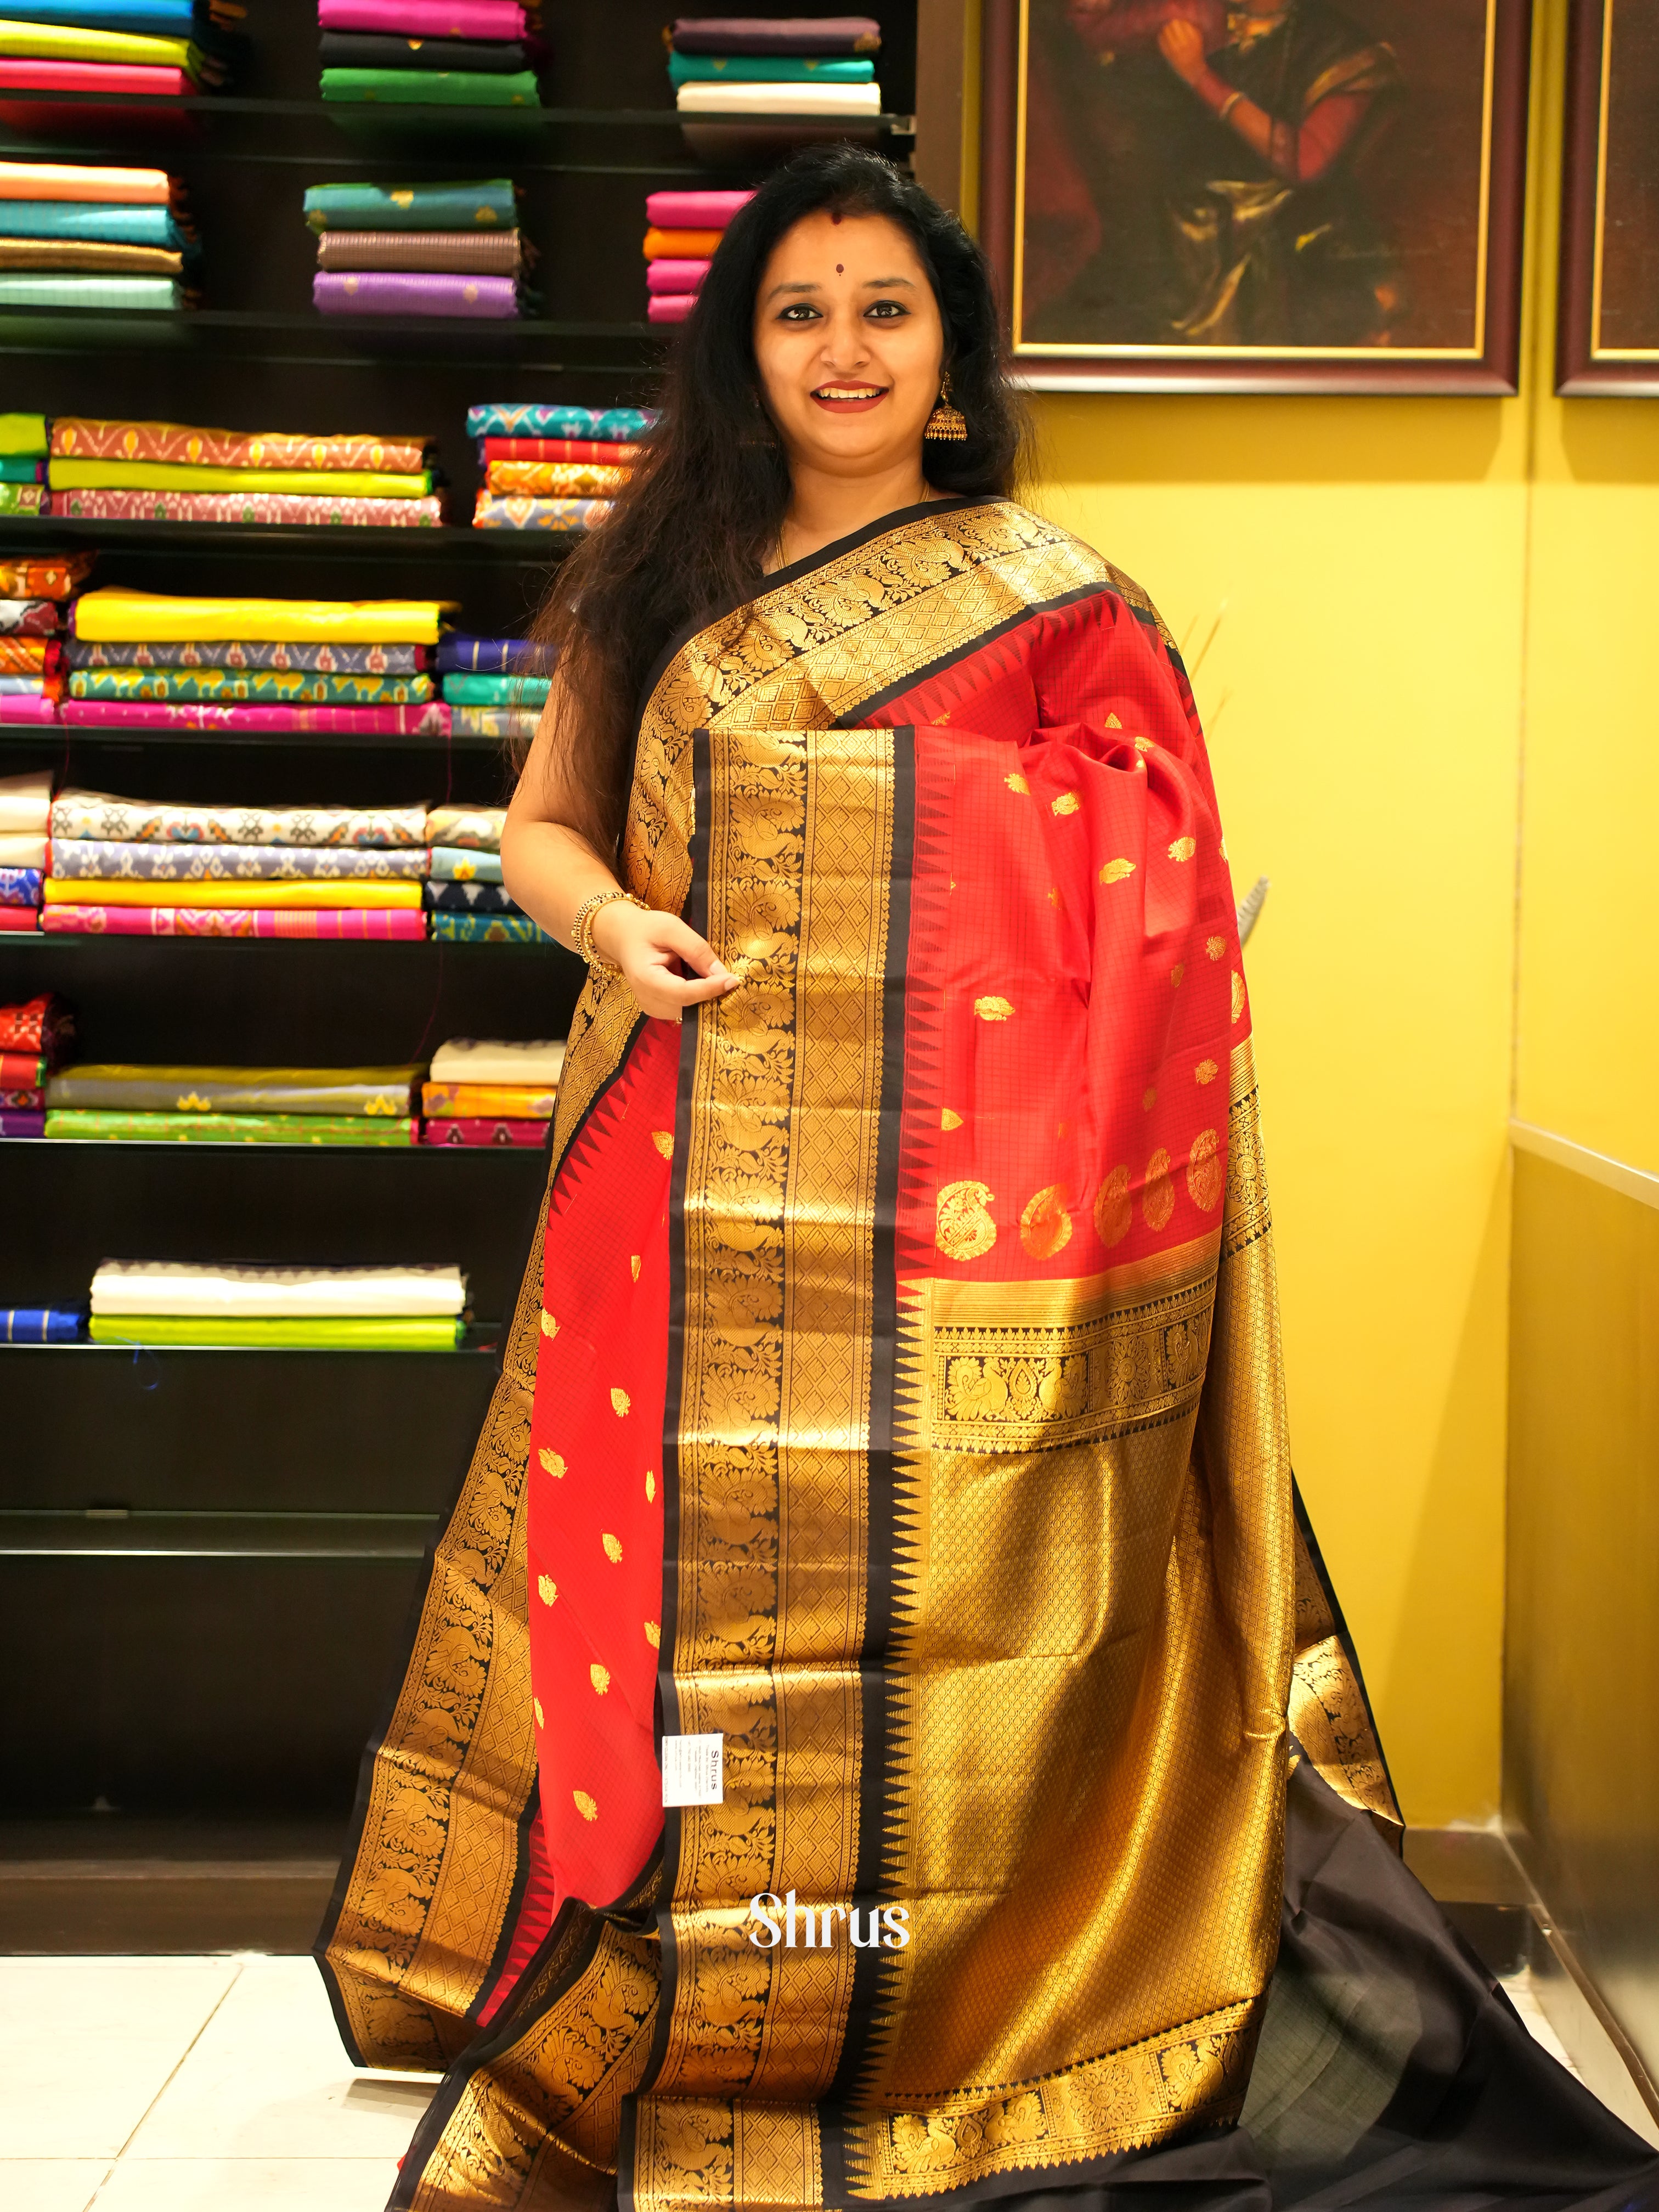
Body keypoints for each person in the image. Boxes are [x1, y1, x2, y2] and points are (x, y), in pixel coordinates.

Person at [316, 146, 1659, 2212]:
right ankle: (676, 1951)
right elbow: (541, 829)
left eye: (882, 308)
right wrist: (610, 929)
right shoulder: (657, 570)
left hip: (957, 1238)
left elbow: (1157, 887)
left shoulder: (1048, 596)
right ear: (738, 350)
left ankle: (940, 1977)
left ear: (943, 353)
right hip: (670, 1185)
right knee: (663, 1596)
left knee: (922, 1612)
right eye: (795, 309)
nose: (839, 347)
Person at [1027, 0, 1403, 347]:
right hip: (1176, 206)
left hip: (1279, 221)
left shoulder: (1342, 48)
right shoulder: (1198, 18)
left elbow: (1304, 161)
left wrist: (1198, 76)